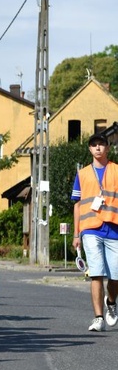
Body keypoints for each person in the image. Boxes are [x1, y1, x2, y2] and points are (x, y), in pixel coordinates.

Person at [71, 132, 118, 332]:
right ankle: (98, 317)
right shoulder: (82, 174)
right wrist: (76, 234)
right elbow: (78, 204)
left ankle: (111, 302)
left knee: (115, 275)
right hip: (90, 229)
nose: (97, 148)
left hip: (114, 228)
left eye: (101, 144)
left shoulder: (116, 170)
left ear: (108, 148)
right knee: (96, 273)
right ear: (89, 149)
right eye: (94, 145)